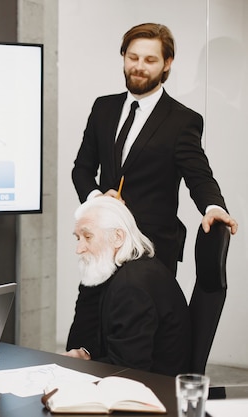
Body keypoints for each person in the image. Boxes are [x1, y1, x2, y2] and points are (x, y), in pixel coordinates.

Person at [68, 22, 238, 355]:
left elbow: (198, 174)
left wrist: (213, 206)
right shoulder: (103, 108)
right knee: (84, 340)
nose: (139, 67)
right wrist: (98, 200)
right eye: (133, 57)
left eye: (149, 60)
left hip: (151, 251)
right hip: (102, 246)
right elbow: (82, 170)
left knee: (134, 350)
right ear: (123, 57)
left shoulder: (182, 120)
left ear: (167, 64)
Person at [64, 196, 191, 376]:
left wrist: (84, 367)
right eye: (78, 238)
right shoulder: (134, 269)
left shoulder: (131, 287)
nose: (79, 248)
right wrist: (87, 355)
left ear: (117, 237)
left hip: (155, 394)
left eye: (88, 236)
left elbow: (128, 370)